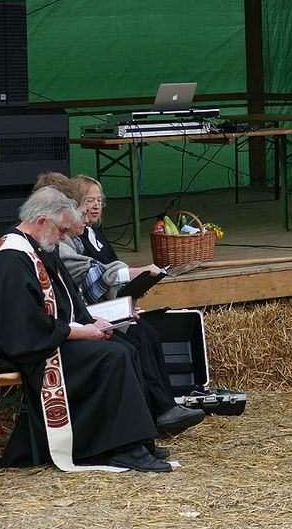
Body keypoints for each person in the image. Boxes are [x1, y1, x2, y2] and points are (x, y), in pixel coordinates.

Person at [0, 187, 171, 472]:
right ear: (41, 221)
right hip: (30, 350)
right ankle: (120, 447)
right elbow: (23, 327)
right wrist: (82, 332)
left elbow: (69, 305)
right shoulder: (12, 258)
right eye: (61, 230)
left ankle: (134, 441)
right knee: (111, 356)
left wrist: (101, 321)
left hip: (49, 337)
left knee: (126, 345)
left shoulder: (40, 247)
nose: (64, 237)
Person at [31, 173, 205, 434]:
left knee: (146, 333)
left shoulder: (84, 237)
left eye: (98, 201)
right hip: (77, 323)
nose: (91, 210)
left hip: (88, 315)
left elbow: (97, 276)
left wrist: (127, 295)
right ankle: (149, 416)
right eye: (86, 204)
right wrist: (127, 281)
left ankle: (163, 407)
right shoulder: (53, 244)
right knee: (128, 343)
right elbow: (91, 277)